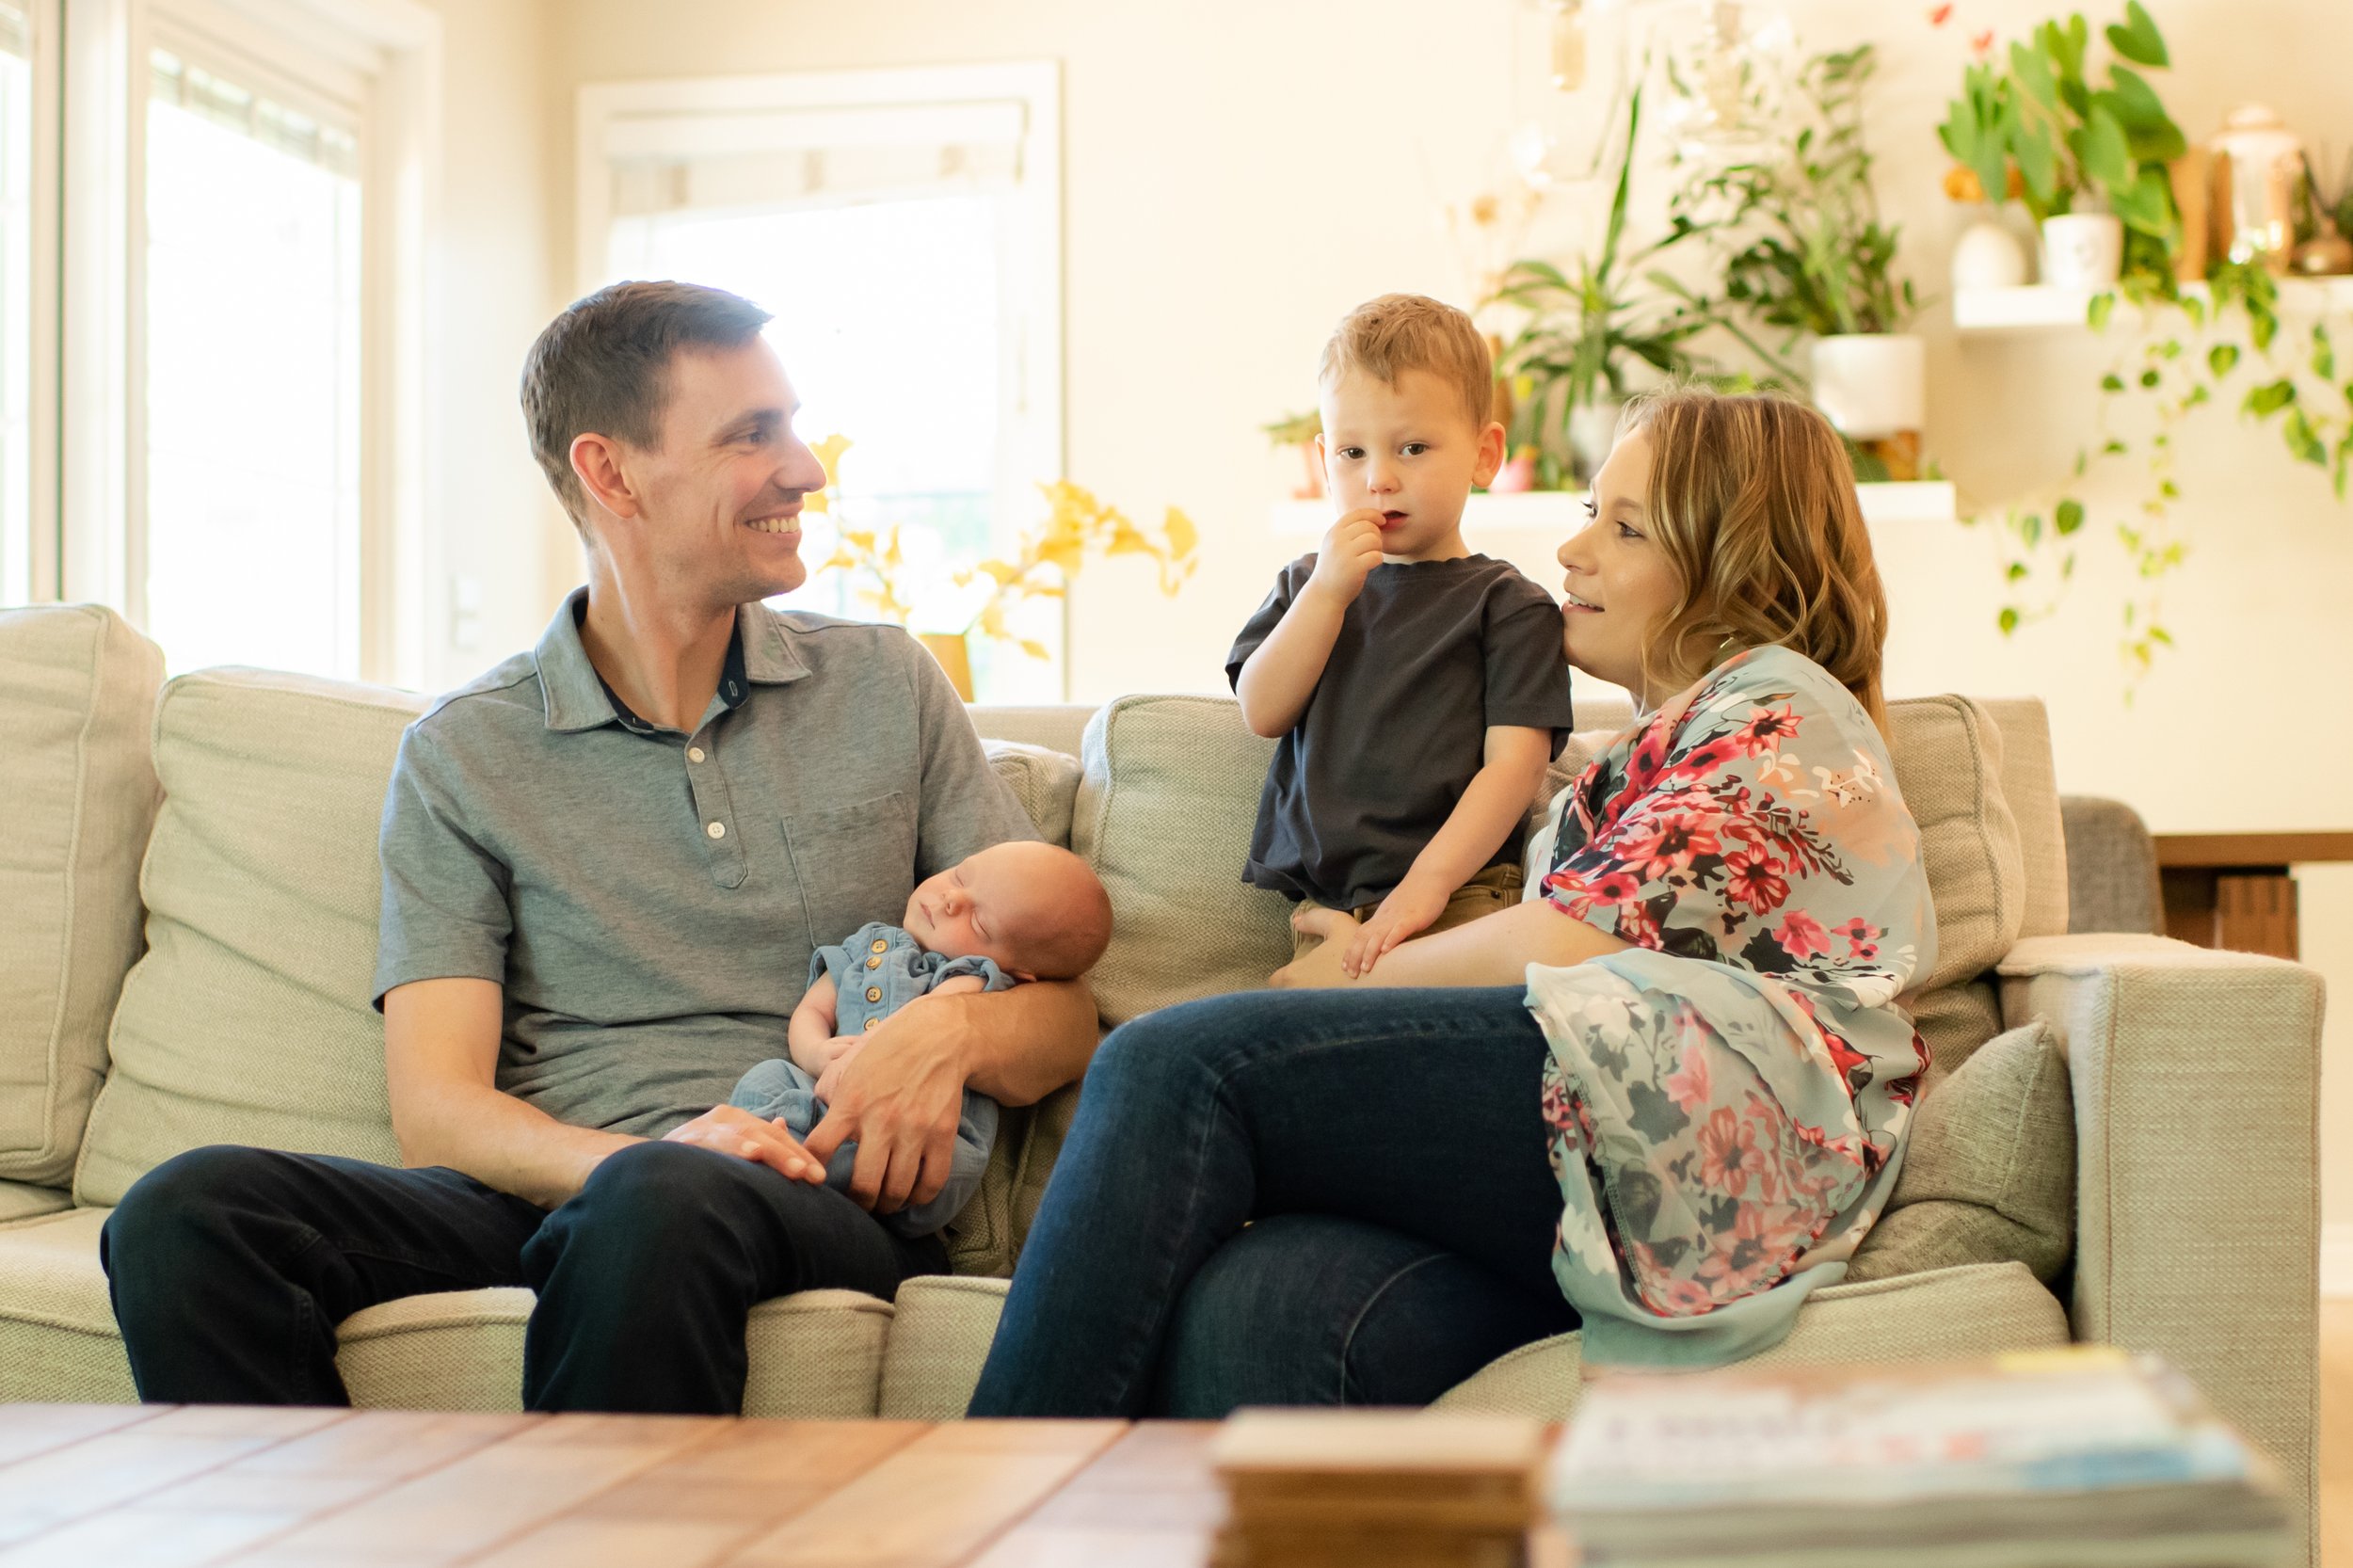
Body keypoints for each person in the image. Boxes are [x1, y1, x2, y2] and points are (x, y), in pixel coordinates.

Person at [98, 280, 1100, 1415]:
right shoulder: (467, 751)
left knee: (660, 1200)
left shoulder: (883, 683)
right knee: (186, 1211)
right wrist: (628, 1156)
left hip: (810, 1184)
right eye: (752, 434)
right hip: (573, 1185)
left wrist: (950, 1031)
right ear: (611, 474)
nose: (806, 468)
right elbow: (437, 1105)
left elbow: (1068, 1017)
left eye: (791, 424)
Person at [968, 386, 1934, 1417]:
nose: (1572, 552)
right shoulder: (1642, 756)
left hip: (1697, 1126)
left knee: (1173, 1064)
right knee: (1268, 1303)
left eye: (1625, 527)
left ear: (1746, 569)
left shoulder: (1780, 706)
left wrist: (1344, 978)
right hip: (1603, 1177)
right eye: (1589, 514)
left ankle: (997, 1485)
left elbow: (1569, 937)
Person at [1231, 294, 1574, 981]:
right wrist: (1328, 594)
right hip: (1331, 905)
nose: (1378, 479)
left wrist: (1429, 883)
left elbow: (1515, 767)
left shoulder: (1509, 606)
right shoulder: (1306, 586)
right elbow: (1262, 711)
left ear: (1485, 455)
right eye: (1352, 452)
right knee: (1313, 1030)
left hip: (1463, 894)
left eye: (1412, 448)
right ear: (1324, 460)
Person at [729, 840, 1113, 1237]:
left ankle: (783, 1158)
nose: (952, 900)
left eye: (980, 924)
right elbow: (812, 1011)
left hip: (917, 1137)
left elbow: (928, 1017)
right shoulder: (868, 945)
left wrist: (884, 1050)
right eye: (960, 876)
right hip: (820, 1092)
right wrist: (816, 1053)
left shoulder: (976, 976)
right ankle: (774, 1149)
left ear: (1019, 972)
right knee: (768, 1076)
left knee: (943, 1169)